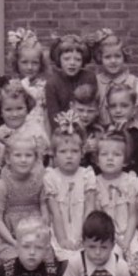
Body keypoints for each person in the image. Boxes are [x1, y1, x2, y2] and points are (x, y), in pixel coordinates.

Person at [43, 111, 97, 261]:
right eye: (63, 151)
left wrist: (84, 236)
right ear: (54, 153)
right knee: (63, 257)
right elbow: (55, 213)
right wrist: (62, 240)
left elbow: (89, 209)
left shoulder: (87, 174)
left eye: (74, 151)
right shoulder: (51, 177)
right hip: (60, 231)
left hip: (83, 230)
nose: (69, 156)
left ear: (82, 152)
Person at [0, 134, 47, 269]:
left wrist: (43, 231)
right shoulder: (3, 185)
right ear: (8, 159)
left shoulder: (40, 181)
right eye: (18, 155)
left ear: (36, 159)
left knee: (45, 257)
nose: (23, 160)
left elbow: (44, 207)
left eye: (28, 155)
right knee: (15, 259)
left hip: (36, 233)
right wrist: (14, 242)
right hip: (9, 238)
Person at [0, 79, 50, 174]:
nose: (15, 114)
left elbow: (42, 159)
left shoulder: (35, 131)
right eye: (8, 110)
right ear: (0, 111)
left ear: (27, 108)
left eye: (20, 108)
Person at [94, 131, 138, 257]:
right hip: (106, 234)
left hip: (130, 232)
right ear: (97, 160)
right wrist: (118, 240)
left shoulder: (129, 181)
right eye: (104, 154)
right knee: (113, 255)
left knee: (137, 252)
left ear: (125, 160)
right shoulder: (95, 183)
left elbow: (132, 216)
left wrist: (127, 241)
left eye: (116, 154)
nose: (110, 158)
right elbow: (100, 218)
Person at [86, 28, 138, 126]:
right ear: (100, 58)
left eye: (117, 56)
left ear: (124, 57)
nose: (113, 61)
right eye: (107, 57)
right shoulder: (95, 81)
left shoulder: (133, 82)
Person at [45, 33, 97, 129]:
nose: (72, 63)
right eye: (66, 59)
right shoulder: (52, 83)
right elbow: (53, 116)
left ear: (83, 61)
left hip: (87, 126)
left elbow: (91, 108)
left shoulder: (89, 77)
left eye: (77, 59)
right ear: (59, 59)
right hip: (62, 130)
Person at [7, 28, 50, 135]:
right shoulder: (12, 85)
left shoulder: (44, 87)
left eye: (34, 63)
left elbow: (46, 115)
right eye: (24, 62)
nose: (29, 67)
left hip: (39, 131)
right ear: (16, 62)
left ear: (41, 64)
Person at [105, 84, 138, 176]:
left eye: (124, 106)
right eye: (113, 106)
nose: (118, 110)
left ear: (134, 109)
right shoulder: (104, 131)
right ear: (107, 109)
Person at [70, 83, 104, 172]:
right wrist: (83, 151)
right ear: (71, 107)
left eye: (90, 111)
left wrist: (99, 148)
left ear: (98, 110)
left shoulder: (100, 130)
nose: (85, 115)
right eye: (80, 110)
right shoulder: (66, 130)